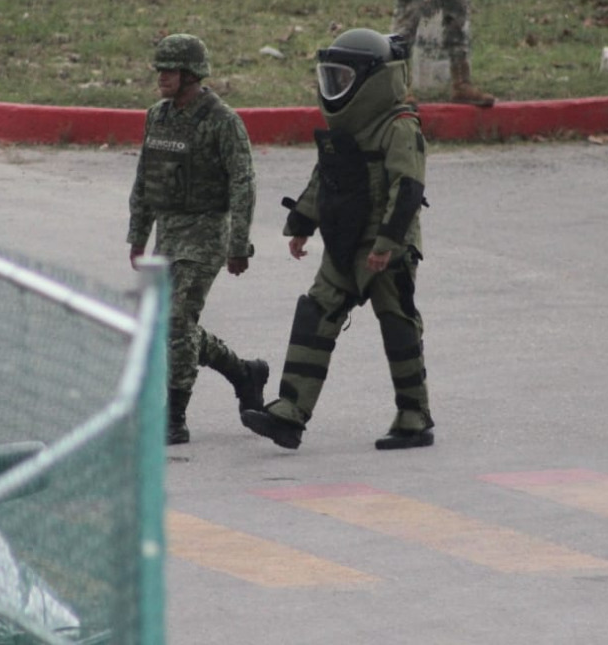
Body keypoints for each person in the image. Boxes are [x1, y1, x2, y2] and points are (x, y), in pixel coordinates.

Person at [241, 28, 434, 451]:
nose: (335, 89)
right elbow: (327, 179)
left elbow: (407, 191)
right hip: (346, 241)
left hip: (388, 246)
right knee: (316, 312)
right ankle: (290, 413)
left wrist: (387, 244)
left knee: (398, 324)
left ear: (375, 80)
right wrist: (302, 222)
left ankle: (414, 415)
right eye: (331, 78)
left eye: (344, 79)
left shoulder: (399, 128)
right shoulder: (350, 129)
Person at [127, 33, 268, 445]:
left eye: (169, 70)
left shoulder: (223, 121)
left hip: (206, 234)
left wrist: (238, 245)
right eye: (160, 70)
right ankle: (244, 373)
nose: (161, 78)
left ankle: (174, 416)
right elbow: (146, 178)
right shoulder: (158, 117)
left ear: (191, 74)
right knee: (168, 325)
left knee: (177, 321)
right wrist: (138, 234)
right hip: (169, 233)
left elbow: (243, 184)